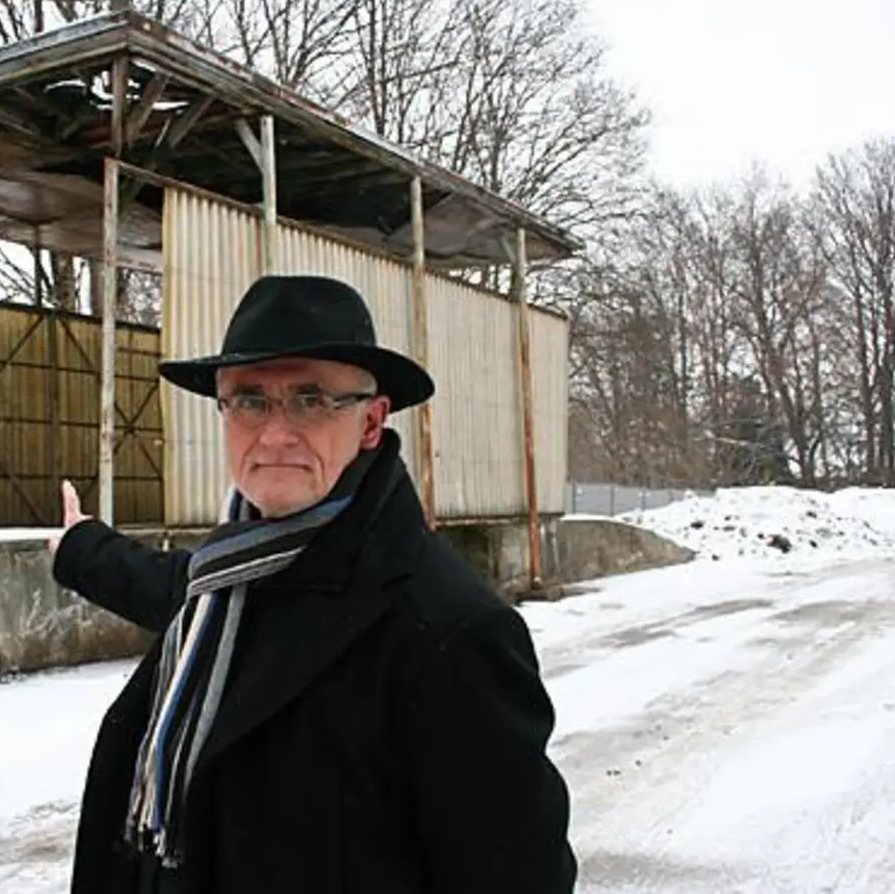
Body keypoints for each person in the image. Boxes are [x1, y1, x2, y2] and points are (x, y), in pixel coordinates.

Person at [50, 274, 577, 893]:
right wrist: (82, 548)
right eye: (249, 399)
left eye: (311, 399)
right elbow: (168, 586)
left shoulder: (448, 634)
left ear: (372, 423)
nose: (274, 434)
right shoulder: (227, 582)